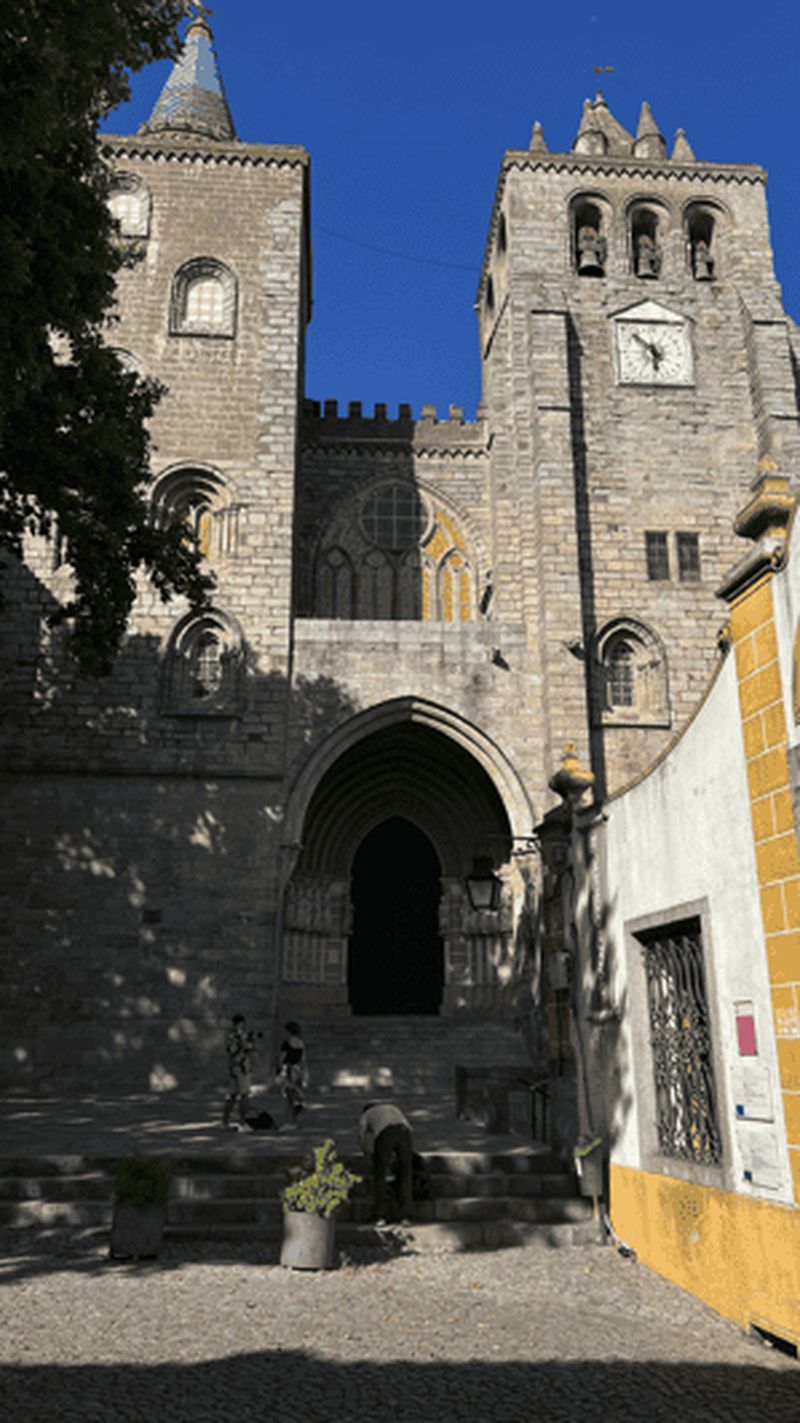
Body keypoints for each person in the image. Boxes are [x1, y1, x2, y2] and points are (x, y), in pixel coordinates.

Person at [359, 1101, 413, 1222]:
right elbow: (408, 1127)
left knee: (380, 1175)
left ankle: (380, 1214)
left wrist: (366, 1152)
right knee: (405, 1174)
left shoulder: (367, 1114)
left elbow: (362, 1135)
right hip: (405, 1132)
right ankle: (405, 1215)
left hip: (385, 1133)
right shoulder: (393, 1107)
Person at [222, 1013, 261, 1130]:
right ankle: (242, 1123)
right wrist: (251, 1042)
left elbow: (231, 1050)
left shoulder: (230, 1035)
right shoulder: (239, 1036)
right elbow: (247, 1048)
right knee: (244, 1095)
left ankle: (225, 1122)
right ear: (241, 1023)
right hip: (242, 1068)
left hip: (234, 1068)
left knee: (232, 1095)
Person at [274, 1020, 309, 1126]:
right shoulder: (300, 1043)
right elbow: (303, 1058)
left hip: (289, 1069)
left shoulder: (287, 1043)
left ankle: (289, 1121)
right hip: (298, 1069)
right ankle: (293, 1119)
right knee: (294, 1094)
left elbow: (282, 1058)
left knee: (289, 1097)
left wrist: (278, 1069)